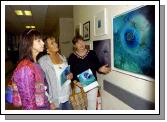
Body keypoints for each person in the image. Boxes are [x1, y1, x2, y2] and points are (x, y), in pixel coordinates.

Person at [68, 35, 111, 110]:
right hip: (79, 85)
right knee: (81, 107)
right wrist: (75, 82)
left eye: (82, 41)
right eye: (78, 43)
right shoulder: (72, 57)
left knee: (92, 107)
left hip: (91, 84)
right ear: (75, 45)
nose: (81, 44)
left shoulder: (92, 53)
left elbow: (97, 66)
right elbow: (71, 72)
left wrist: (101, 69)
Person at [11, 29, 50, 110]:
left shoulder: (35, 63)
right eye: (39, 40)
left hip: (44, 106)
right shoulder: (25, 67)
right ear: (29, 43)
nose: (43, 43)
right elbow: (28, 103)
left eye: (42, 40)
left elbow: (41, 87)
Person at [38, 36, 73, 110]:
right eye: (52, 43)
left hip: (67, 96)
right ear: (47, 48)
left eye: (55, 42)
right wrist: (49, 101)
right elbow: (40, 83)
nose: (56, 44)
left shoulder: (63, 57)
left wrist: (70, 75)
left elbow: (66, 74)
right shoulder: (43, 61)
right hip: (55, 100)